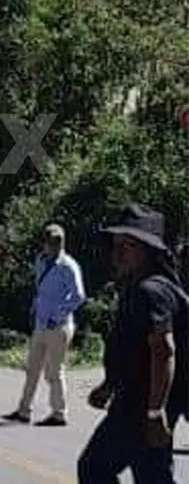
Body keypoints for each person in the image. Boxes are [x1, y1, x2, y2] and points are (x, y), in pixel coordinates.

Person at [77, 204, 187, 484]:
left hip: (141, 406)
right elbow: (132, 351)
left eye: (128, 245)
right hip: (138, 401)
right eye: (116, 245)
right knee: (149, 475)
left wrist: (155, 411)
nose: (118, 253)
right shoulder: (144, 286)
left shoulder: (151, 291)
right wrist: (109, 385)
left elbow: (163, 350)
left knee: (94, 468)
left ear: (148, 251)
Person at [4, 223, 87, 427]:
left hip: (58, 325)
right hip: (41, 323)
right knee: (32, 368)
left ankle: (59, 413)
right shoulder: (40, 261)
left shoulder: (68, 266)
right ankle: (24, 410)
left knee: (53, 371)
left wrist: (58, 314)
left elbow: (78, 296)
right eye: (50, 241)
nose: (53, 245)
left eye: (57, 241)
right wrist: (35, 308)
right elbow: (40, 288)